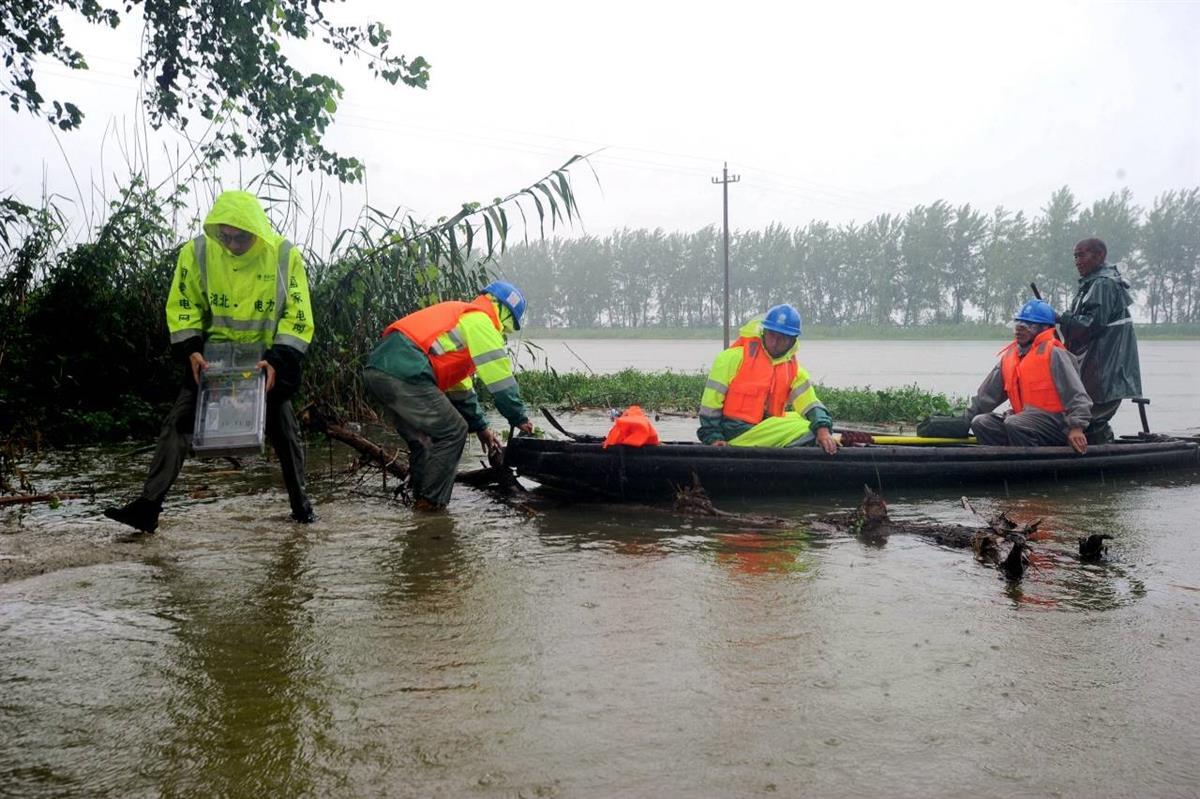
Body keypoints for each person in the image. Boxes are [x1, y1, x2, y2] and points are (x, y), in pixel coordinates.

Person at [104, 190, 317, 534]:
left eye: (240, 238)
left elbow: (297, 316)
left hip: (265, 364)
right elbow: (182, 304)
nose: (231, 244)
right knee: (176, 424)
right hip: (212, 364)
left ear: (257, 232)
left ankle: (302, 509)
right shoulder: (199, 251)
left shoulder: (283, 256)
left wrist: (278, 360)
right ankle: (148, 508)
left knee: (285, 431)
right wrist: (191, 349)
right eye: (225, 236)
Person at [363, 281, 535, 511]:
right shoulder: (481, 321)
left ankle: (419, 503)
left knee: (423, 442)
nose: (504, 333)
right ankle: (431, 507)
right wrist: (519, 417)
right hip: (405, 370)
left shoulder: (464, 319)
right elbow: (500, 380)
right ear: (504, 314)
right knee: (454, 430)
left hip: (380, 371)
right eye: (508, 326)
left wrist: (482, 428)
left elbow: (461, 390)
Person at [697, 304, 837, 453]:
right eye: (772, 335)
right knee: (807, 429)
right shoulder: (732, 358)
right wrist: (713, 437)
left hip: (766, 430)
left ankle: (814, 439)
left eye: (782, 338)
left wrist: (823, 428)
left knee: (802, 418)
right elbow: (709, 407)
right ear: (764, 332)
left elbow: (810, 403)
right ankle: (806, 444)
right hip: (736, 432)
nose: (775, 343)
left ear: (792, 341)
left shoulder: (794, 369)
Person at [968, 299, 1090, 453]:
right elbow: (985, 398)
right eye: (1018, 324)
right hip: (1022, 422)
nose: (1020, 329)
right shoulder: (1010, 357)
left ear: (1044, 328)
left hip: (1057, 425)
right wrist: (961, 423)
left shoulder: (1055, 354)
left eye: (1028, 326)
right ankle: (1002, 463)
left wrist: (1077, 428)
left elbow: (1077, 396)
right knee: (981, 422)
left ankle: (1032, 466)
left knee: (1016, 423)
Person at [1056, 237, 1142, 443]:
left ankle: (1104, 452)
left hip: (1106, 369)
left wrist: (1059, 317)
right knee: (1087, 416)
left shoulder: (1103, 284)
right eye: (1075, 256)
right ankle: (1101, 449)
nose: (1077, 261)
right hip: (1099, 367)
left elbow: (1089, 326)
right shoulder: (1094, 284)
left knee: (1091, 418)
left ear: (1100, 255)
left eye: (1081, 255)